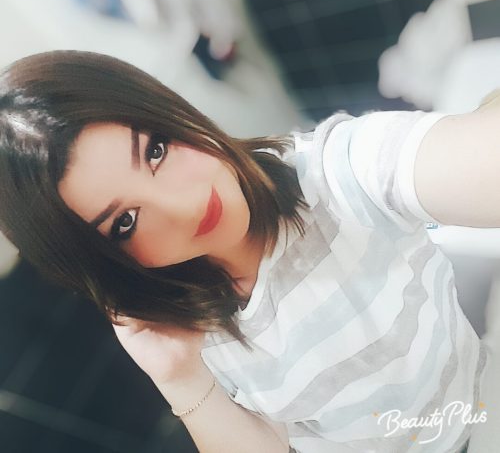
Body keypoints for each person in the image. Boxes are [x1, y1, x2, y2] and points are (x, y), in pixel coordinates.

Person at [0, 50, 494, 452]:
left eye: (156, 150)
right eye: (125, 222)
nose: (185, 205)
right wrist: (180, 379)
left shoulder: (338, 172)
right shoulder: (190, 328)